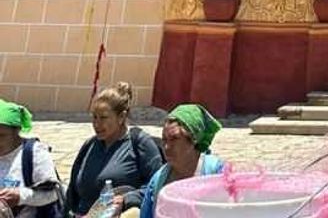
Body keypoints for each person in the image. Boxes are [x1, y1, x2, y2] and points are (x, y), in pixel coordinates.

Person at [65, 83, 162, 218]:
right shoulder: (90, 145)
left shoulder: (139, 143)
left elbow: (156, 185)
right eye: (94, 117)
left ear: (121, 117)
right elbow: (72, 192)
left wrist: (127, 199)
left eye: (103, 118)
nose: (97, 124)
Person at [137, 107, 223, 218]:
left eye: (174, 139)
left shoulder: (216, 173)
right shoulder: (158, 181)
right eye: (164, 140)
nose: (167, 147)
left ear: (193, 139)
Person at [0, 102, 59, 218]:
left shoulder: (35, 153)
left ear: (16, 131)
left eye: (1, 136)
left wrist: (20, 197)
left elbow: (53, 193)